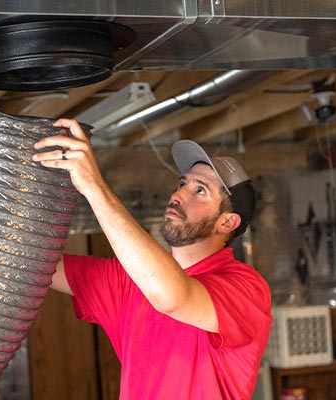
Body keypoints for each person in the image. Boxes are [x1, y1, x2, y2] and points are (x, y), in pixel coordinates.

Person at [32, 119, 272, 400]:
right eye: (182, 183)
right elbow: (36, 264)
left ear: (226, 222)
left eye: (200, 190)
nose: (177, 194)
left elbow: (172, 297)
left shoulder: (246, 288)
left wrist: (95, 186)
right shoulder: (129, 279)